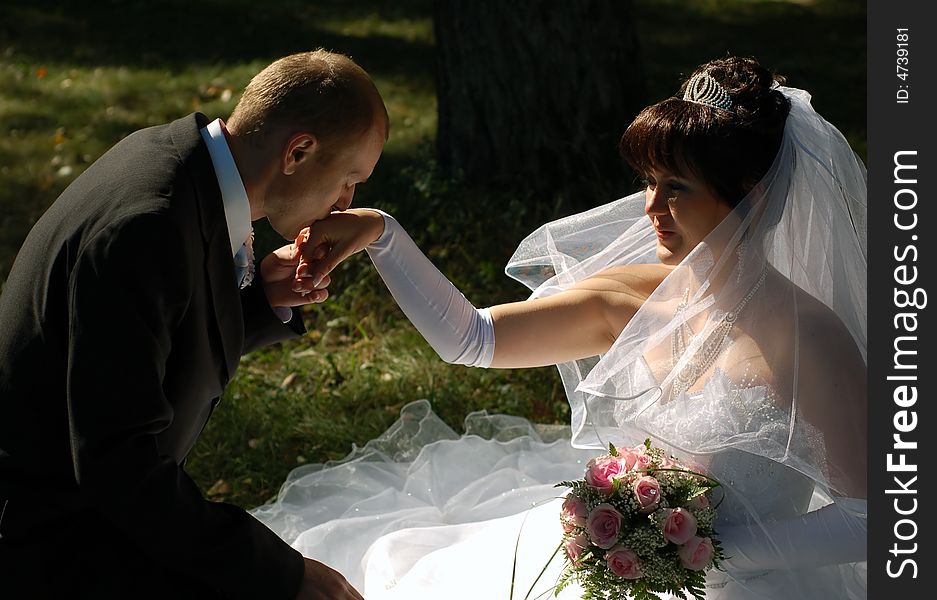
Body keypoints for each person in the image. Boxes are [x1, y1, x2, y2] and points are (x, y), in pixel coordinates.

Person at [257, 56, 868, 599]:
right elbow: (472, 338)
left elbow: (878, 519)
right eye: (650, 183)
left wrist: (699, 552)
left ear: (753, 198)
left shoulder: (808, 338)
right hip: (619, 570)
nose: (651, 207)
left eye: (676, 187)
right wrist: (380, 234)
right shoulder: (634, 297)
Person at [0, 49, 386, 599]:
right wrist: (284, 576)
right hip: (52, 540)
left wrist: (255, 302)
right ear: (298, 151)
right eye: (350, 179)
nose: (347, 203)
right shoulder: (147, 227)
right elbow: (120, 466)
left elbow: (151, 339)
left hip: (98, 509)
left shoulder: (183, 162)